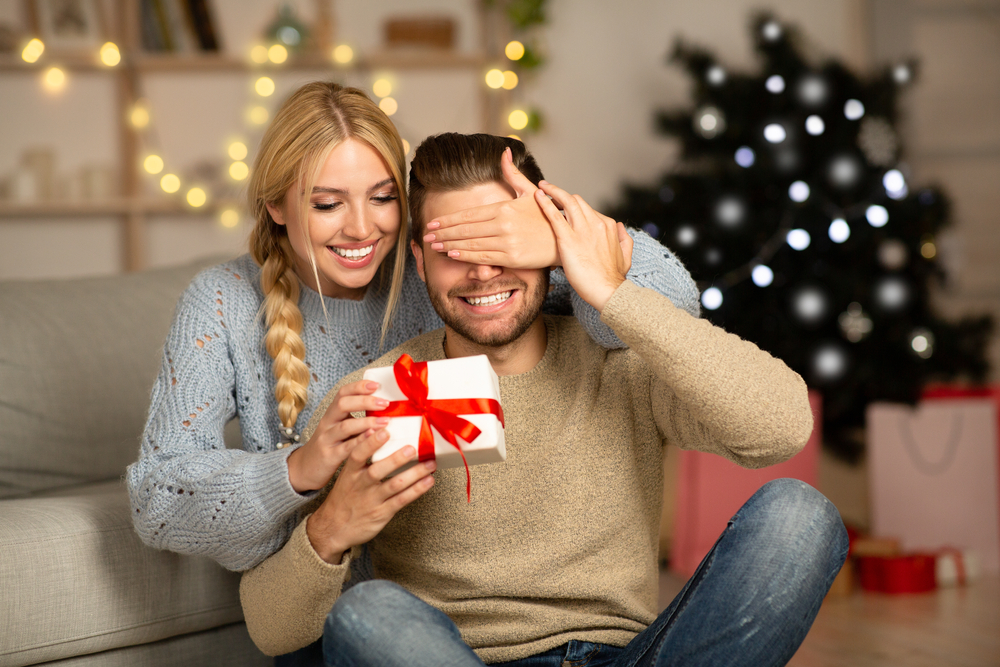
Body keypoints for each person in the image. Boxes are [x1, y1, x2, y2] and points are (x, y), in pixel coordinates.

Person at [238, 133, 849, 667]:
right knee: (366, 614)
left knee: (801, 518)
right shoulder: (373, 395)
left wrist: (608, 290)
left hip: (630, 656)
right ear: (419, 260)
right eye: (455, 249)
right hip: (456, 656)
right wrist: (330, 530)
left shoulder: (619, 363)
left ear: (547, 246)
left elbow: (783, 427)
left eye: (502, 241)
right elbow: (271, 630)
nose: (482, 272)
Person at [125, 82, 702, 574]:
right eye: (327, 204)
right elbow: (159, 498)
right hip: (321, 598)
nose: (360, 228)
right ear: (276, 204)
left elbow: (673, 313)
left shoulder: (442, 269)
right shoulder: (222, 302)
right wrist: (300, 468)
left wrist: (559, 236)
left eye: (382, 198)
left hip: (459, 598)